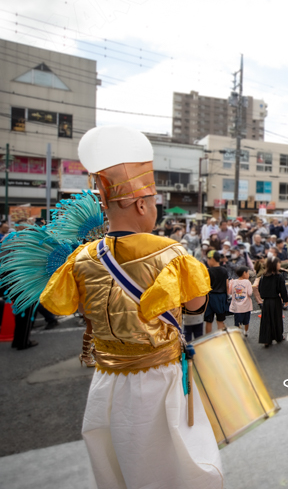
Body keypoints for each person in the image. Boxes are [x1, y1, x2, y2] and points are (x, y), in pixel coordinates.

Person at [39, 125, 222, 488]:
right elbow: (197, 307)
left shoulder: (81, 258)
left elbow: (62, 305)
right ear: (141, 204)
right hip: (160, 379)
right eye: (153, 202)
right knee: (173, 464)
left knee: (120, 467)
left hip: (107, 381)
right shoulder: (172, 253)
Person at [257, 257, 288, 348]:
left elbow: (260, 289)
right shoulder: (279, 276)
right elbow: (283, 290)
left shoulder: (263, 276)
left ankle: (266, 340)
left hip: (266, 301)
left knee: (266, 320)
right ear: (275, 265)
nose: (280, 265)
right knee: (277, 319)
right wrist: (286, 300)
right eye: (278, 263)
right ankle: (278, 336)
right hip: (275, 300)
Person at [205, 251, 229, 334]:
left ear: (212, 259)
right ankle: (221, 338)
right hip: (221, 297)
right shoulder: (224, 270)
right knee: (220, 320)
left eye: (208, 259)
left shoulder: (208, 271)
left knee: (209, 320)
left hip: (210, 297)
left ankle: (208, 339)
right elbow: (227, 284)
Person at [229, 266, 255, 337]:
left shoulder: (233, 281)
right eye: (248, 273)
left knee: (237, 322)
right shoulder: (247, 282)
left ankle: (238, 334)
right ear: (244, 273)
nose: (249, 275)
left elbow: (230, 292)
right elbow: (250, 293)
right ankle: (246, 332)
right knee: (246, 321)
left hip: (237, 307)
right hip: (246, 306)